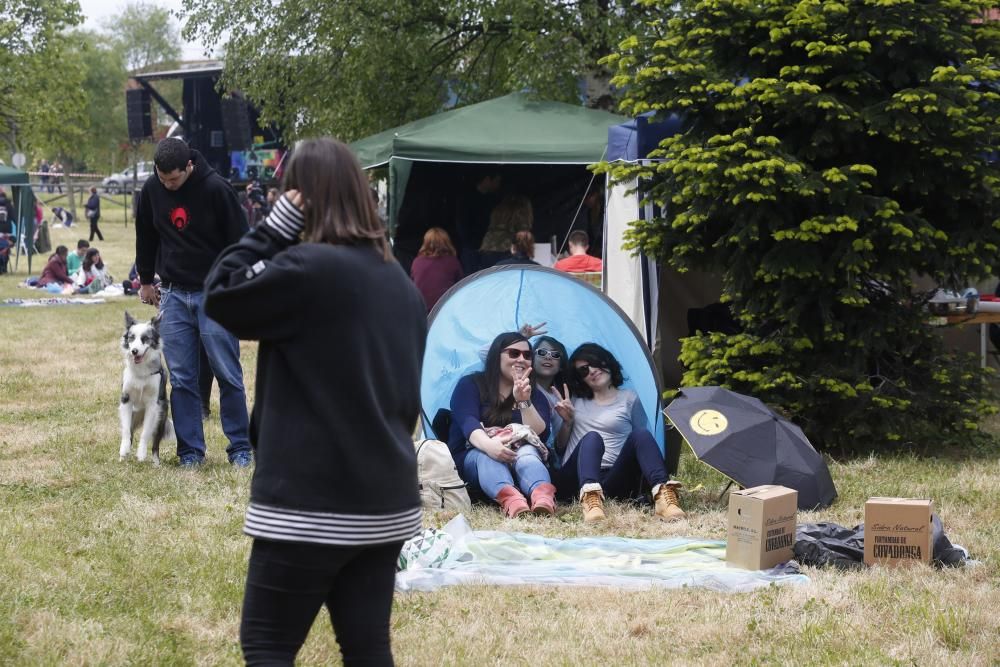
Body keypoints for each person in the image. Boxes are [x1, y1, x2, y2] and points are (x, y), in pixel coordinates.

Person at [204, 137, 427, 666]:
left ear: (297, 197)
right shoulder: (398, 280)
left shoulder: (308, 269)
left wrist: (273, 227)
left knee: (268, 645)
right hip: (387, 501)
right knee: (367, 648)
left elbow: (221, 292)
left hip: (311, 503)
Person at [135, 137, 252, 467]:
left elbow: (241, 242)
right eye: (162, 177)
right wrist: (146, 280)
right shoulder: (151, 191)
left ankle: (240, 447)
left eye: (173, 178)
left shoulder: (216, 189)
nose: (168, 185)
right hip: (172, 293)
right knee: (183, 378)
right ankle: (190, 452)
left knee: (227, 372)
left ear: (189, 167)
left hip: (214, 293)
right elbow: (145, 234)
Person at [553, 343, 684, 523]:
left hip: (613, 477)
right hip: (576, 477)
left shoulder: (630, 399)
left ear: (606, 361)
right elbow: (560, 448)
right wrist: (567, 422)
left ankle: (663, 496)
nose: (591, 371)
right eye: (583, 370)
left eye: (594, 362)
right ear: (580, 379)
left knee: (642, 435)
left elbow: (639, 445)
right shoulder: (574, 400)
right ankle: (590, 500)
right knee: (593, 437)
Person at [448, 332, 556, 517]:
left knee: (528, 452)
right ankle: (512, 501)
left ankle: (542, 497)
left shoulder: (533, 393)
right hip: (474, 458)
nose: (521, 359)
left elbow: (540, 435)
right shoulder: (470, 384)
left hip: (518, 460)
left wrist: (524, 401)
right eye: (514, 353)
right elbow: (468, 423)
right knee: (487, 456)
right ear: (496, 356)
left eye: (527, 355)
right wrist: (490, 446)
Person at [457, 171, 502, 274]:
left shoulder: (493, 199)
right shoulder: (466, 199)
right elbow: (462, 224)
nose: (498, 184)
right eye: (497, 181)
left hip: (487, 248)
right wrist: (472, 243)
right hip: (472, 248)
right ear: (487, 180)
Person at [409, 227, 464, 311]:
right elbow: (461, 285)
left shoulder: (417, 262)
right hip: (443, 309)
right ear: (447, 242)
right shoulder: (452, 261)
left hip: (421, 309)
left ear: (425, 242)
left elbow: (413, 284)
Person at [479, 195, 532, 270]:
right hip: (506, 247)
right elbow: (523, 233)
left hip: (488, 246)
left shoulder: (498, 209)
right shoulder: (521, 211)